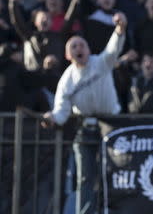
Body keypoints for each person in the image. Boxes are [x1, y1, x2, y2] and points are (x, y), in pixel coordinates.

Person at [41, 12, 127, 214]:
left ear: (89, 50)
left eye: (82, 45)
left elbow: (113, 49)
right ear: (67, 55)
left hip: (111, 127)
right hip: (85, 129)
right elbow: (61, 112)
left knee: (114, 175)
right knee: (85, 179)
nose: (79, 49)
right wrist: (51, 118)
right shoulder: (67, 79)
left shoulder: (101, 63)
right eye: (74, 46)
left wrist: (120, 29)